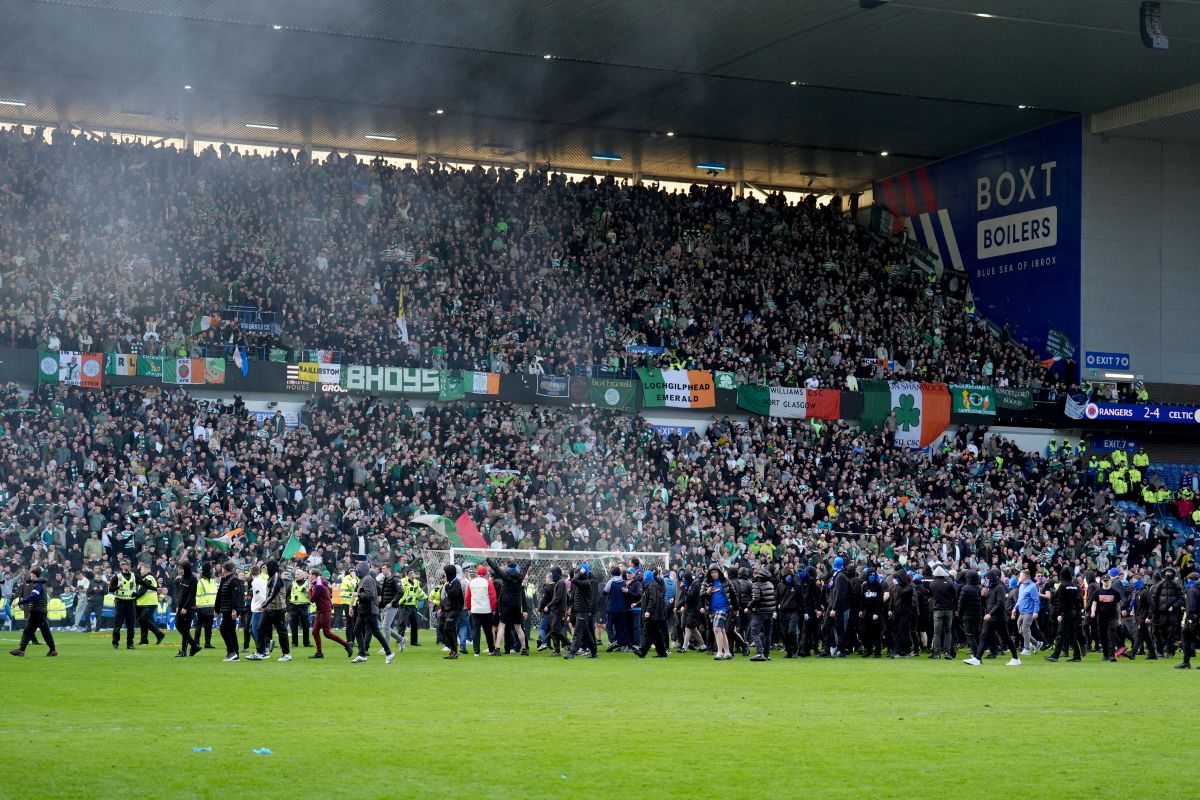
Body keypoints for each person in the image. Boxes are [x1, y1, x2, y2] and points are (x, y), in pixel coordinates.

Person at [963, 569, 1021, 667]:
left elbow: (1000, 603)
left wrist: (990, 613)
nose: (986, 580)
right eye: (985, 578)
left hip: (998, 618)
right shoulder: (990, 588)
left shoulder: (999, 588)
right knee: (984, 637)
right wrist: (982, 596)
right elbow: (988, 602)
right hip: (990, 618)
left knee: (1006, 638)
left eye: (988, 578)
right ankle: (977, 658)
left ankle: (1015, 658)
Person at [351, 563, 394, 664]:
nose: (355, 572)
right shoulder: (364, 579)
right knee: (357, 630)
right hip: (364, 610)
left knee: (376, 633)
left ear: (361, 570)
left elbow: (370, 595)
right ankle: (362, 654)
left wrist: (357, 594)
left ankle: (389, 653)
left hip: (369, 611)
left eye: (357, 569)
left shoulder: (367, 580)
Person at [8, 566, 56, 657]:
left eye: (31, 573)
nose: (30, 575)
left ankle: (52, 650)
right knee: (29, 631)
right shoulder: (39, 583)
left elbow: (33, 596)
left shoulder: (37, 585)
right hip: (37, 612)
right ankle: (21, 650)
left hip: (38, 612)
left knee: (43, 632)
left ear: (34, 574)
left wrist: (19, 602)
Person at [249, 560, 291, 662]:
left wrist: (263, 605)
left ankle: (286, 654)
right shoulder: (272, 577)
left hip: (277, 609)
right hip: (270, 609)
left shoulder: (276, 577)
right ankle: (260, 652)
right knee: (260, 629)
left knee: (282, 632)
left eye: (266, 567)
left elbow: (273, 594)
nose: (265, 569)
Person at [488, 559, 530, 656]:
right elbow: (525, 568)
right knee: (518, 627)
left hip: (506, 605)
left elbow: (495, 568)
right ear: (516, 569)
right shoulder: (520, 577)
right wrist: (530, 559)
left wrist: (487, 558)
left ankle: (497, 649)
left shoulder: (505, 576)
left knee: (502, 626)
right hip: (516, 605)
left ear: (508, 569)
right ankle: (524, 649)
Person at [308, 567, 351, 659]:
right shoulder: (318, 583)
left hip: (324, 611)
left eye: (309, 574)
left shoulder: (318, 585)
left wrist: (309, 590)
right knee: (315, 632)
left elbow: (312, 599)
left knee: (327, 633)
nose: (308, 576)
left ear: (314, 575)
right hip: (321, 611)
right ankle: (319, 653)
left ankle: (346, 645)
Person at [1045, 568, 1084, 662]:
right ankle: (1077, 656)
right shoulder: (1075, 586)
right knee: (1071, 635)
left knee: (1060, 634)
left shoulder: (1062, 586)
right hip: (1075, 612)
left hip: (1066, 613)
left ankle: (1055, 655)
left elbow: (1059, 601)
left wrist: (1059, 613)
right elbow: (1080, 599)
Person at [1090, 568, 1124, 662]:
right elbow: (1094, 603)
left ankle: (1112, 655)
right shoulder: (1097, 592)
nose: (1106, 582)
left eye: (1107, 581)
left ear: (1110, 581)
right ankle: (1105, 654)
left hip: (1112, 617)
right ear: (1101, 581)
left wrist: (1119, 618)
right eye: (1104, 581)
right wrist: (1093, 612)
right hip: (1101, 617)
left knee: (1111, 635)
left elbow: (1118, 606)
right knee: (1103, 636)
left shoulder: (1115, 593)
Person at [635, 567, 669, 659]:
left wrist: (648, 611)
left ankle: (642, 651)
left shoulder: (651, 586)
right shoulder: (651, 586)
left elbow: (652, 600)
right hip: (657, 615)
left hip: (653, 615)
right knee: (656, 635)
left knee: (647, 632)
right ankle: (662, 652)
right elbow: (647, 599)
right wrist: (637, 604)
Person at [565, 563, 598, 659]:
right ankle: (594, 652)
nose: (576, 574)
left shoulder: (586, 583)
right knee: (586, 632)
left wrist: (580, 572)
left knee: (578, 631)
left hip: (583, 610)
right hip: (581, 610)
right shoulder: (582, 583)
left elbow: (573, 580)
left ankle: (572, 652)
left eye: (578, 572)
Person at [465, 564, 498, 657]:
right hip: (486, 610)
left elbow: (467, 597)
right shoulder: (488, 582)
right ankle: (491, 650)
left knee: (475, 630)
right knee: (488, 630)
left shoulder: (471, 582)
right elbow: (493, 597)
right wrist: (494, 608)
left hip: (475, 609)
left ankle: (476, 652)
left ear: (477, 573)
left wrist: (469, 608)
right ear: (485, 573)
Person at [701, 565, 733, 660]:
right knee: (721, 630)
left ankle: (719, 652)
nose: (714, 574)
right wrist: (707, 591)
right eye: (712, 572)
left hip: (723, 608)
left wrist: (735, 608)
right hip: (711, 610)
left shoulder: (726, 581)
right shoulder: (706, 582)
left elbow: (733, 593)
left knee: (716, 629)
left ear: (719, 572)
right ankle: (727, 652)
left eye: (715, 572)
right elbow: (701, 594)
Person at [215, 561, 244, 662]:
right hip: (225, 609)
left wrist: (234, 610)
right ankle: (235, 654)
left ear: (224, 568)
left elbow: (235, 597)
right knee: (231, 632)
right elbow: (220, 595)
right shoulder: (225, 580)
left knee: (223, 629)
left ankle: (231, 652)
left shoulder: (233, 580)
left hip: (230, 610)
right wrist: (217, 609)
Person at [748, 565, 777, 662]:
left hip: (759, 612)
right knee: (767, 634)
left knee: (754, 632)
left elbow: (756, 599)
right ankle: (766, 654)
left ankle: (760, 653)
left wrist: (749, 607)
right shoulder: (770, 584)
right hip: (769, 612)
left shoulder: (756, 585)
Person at [929, 565, 956, 659]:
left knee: (937, 633)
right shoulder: (949, 582)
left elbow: (931, 595)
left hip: (937, 610)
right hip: (948, 610)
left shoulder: (932, 584)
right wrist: (955, 608)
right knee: (948, 631)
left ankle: (936, 653)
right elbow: (955, 596)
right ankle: (947, 652)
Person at [109, 560, 137, 650]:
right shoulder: (117, 576)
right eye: (125, 564)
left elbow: (142, 583)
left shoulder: (133, 575)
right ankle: (115, 642)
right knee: (118, 624)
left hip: (130, 602)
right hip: (120, 602)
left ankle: (130, 643)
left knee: (131, 625)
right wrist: (118, 586)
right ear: (121, 566)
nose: (127, 566)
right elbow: (110, 589)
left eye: (129, 564)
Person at [174, 561, 200, 658]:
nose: (180, 570)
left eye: (182, 568)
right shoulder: (183, 578)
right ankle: (194, 646)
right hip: (181, 607)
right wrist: (178, 606)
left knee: (185, 629)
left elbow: (191, 595)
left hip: (189, 608)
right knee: (178, 625)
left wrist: (185, 607)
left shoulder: (193, 579)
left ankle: (184, 650)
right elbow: (181, 594)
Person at [134, 562, 164, 646]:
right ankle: (144, 640)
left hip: (149, 603)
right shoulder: (146, 578)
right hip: (144, 603)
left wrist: (133, 596)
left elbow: (142, 591)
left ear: (147, 570)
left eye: (142, 570)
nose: (140, 571)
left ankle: (159, 634)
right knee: (143, 621)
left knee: (144, 620)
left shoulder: (149, 577)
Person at [396, 568, 427, 648]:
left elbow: (419, 591)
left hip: (413, 605)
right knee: (403, 623)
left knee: (415, 624)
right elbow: (400, 591)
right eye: (412, 573)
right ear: (408, 574)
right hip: (405, 605)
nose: (414, 574)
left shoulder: (416, 582)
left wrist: (426, 598)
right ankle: (399, 640)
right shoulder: (403, 581)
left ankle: (414, 641)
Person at [1013, 569, 1041, 656]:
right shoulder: (1021, 586)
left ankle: (1027, 649)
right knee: (1021, 630)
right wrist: (1015, 608)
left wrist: (1035, 611)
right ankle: (1036, 643)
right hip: (1021, 611)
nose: (1018, 578)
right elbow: (1020, 599)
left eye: (1020, 576)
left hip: (1029, 612)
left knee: (1025, 629)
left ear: (1024, 577)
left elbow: (1036, 600)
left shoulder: (1032, 587)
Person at [858, 568, 884, 658]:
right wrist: (861, 610)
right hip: (866, 612)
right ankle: (868, 650)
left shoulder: (878, 586)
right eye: (869, 575)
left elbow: (880, 600)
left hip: (875, 612)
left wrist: (876, 613)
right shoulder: (865, 586)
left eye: (873, 575)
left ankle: (877, 651)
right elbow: (862, 599)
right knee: (864, 631)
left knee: (876, 633)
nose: (871, 576)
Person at [440, 564, 465, 660]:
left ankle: (454, 650)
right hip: (449, 609)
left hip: (456, 609)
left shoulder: (456, 583)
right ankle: (454, 651)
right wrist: (442, 608)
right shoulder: (450, 582)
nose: (444, 575)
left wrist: (446, 587)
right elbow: (446, 598)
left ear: (449, 573)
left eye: (445, 573)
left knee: (447, 628)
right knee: (451, 629)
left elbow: (452, 594)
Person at [1177, 572, 1200, 669]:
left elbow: (1191, 605)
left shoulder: (1191, 590)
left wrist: (1190, 618)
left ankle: (1186, 662)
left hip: (1193, 618)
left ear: (1189, 580)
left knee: (1185, 637)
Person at [193, 562, 218, 649]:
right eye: (211, 569)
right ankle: (197, 643)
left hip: (210, 607)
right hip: (202, 607)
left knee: (208, 626)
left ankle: (206, 643)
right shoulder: (201, 582)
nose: (212, 570)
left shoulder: (212, 581)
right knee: (200, 626)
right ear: (208, 570)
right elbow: (197, 595)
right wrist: (197, 606)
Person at [288, 568, 313, 650]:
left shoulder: (308, 584)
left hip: (304, 606)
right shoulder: (292, 583)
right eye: (295, 574)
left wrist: (307, 591)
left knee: (306, 626)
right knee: (293, 626)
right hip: (294, 606)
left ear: (303, 575)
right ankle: (294, 643)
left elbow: (312, 595)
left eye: (298, 574)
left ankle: (306, 642)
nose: (296, 575)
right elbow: (286, 595)